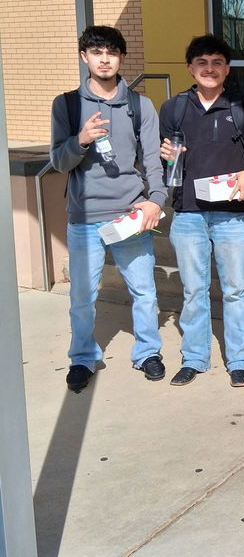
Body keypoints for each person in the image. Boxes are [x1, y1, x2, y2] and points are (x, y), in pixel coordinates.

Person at [50, 25, 166, 391]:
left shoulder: (139, 105)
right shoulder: (66, 104)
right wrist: (80, 140)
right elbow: (58, 162)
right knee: (82, 296)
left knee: (144, 290)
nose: (104, 59)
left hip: (129, 214)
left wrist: (155, 201)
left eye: (111, 53)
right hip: (84, 218)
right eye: (96, 52)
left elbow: (152, 160)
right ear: (84, 56)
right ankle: (82, 357)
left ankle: (147, 352)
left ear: (121, 58)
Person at [159, 34, 244, 389]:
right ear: (190, 68)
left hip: (232, 216)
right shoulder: (174, 109)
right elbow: (166, 165)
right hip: (188, 214)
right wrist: (167, 158)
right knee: (193, 290)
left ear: (228, 69)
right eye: (202, 63)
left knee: (235, 290)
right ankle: (194, 358)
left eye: (217, 62)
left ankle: (238, 360)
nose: (209, 69)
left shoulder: (243, 109)